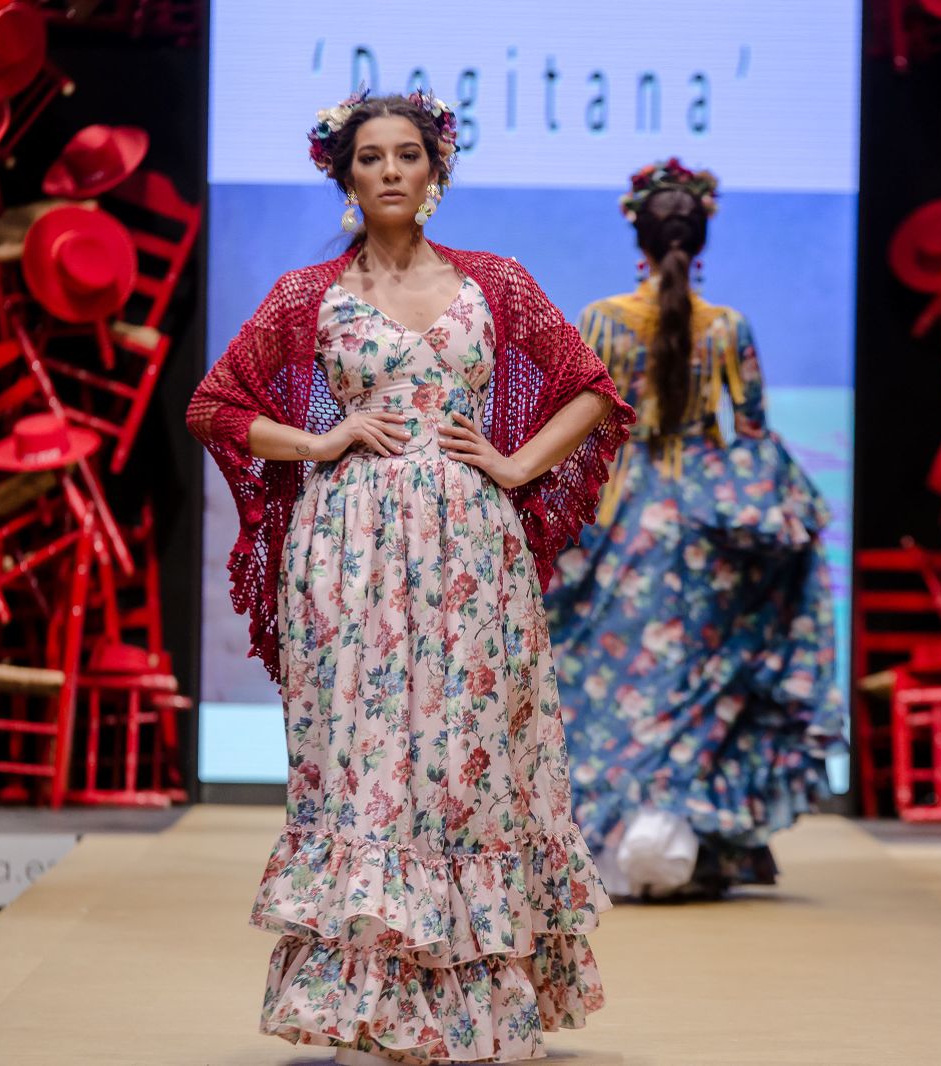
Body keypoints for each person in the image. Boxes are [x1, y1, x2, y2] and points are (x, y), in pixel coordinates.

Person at [187, 89, 634, 1065]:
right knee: (366, 764)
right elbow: (214, 407)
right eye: (370, 157)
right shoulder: (308, 294)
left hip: (471, 555)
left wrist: (516, 467)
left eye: (407, 155)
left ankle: (481, 1005)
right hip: (348, 554)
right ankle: (367, 1004)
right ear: (344, 175)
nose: (389, 170)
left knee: (468, 764)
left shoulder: (496, 284)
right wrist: (317, 436)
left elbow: (592, 393)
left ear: (436, 171)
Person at [543, 159, 846, 900]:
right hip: (707, 528)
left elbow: (583, 429)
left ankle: (597, 842)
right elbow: (754, 436)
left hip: (618, 522)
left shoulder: (603, 319)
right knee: (696, 689)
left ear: (637, 237)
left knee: (605, 682)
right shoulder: (729, 327)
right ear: (700, 235)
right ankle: (696, 846)